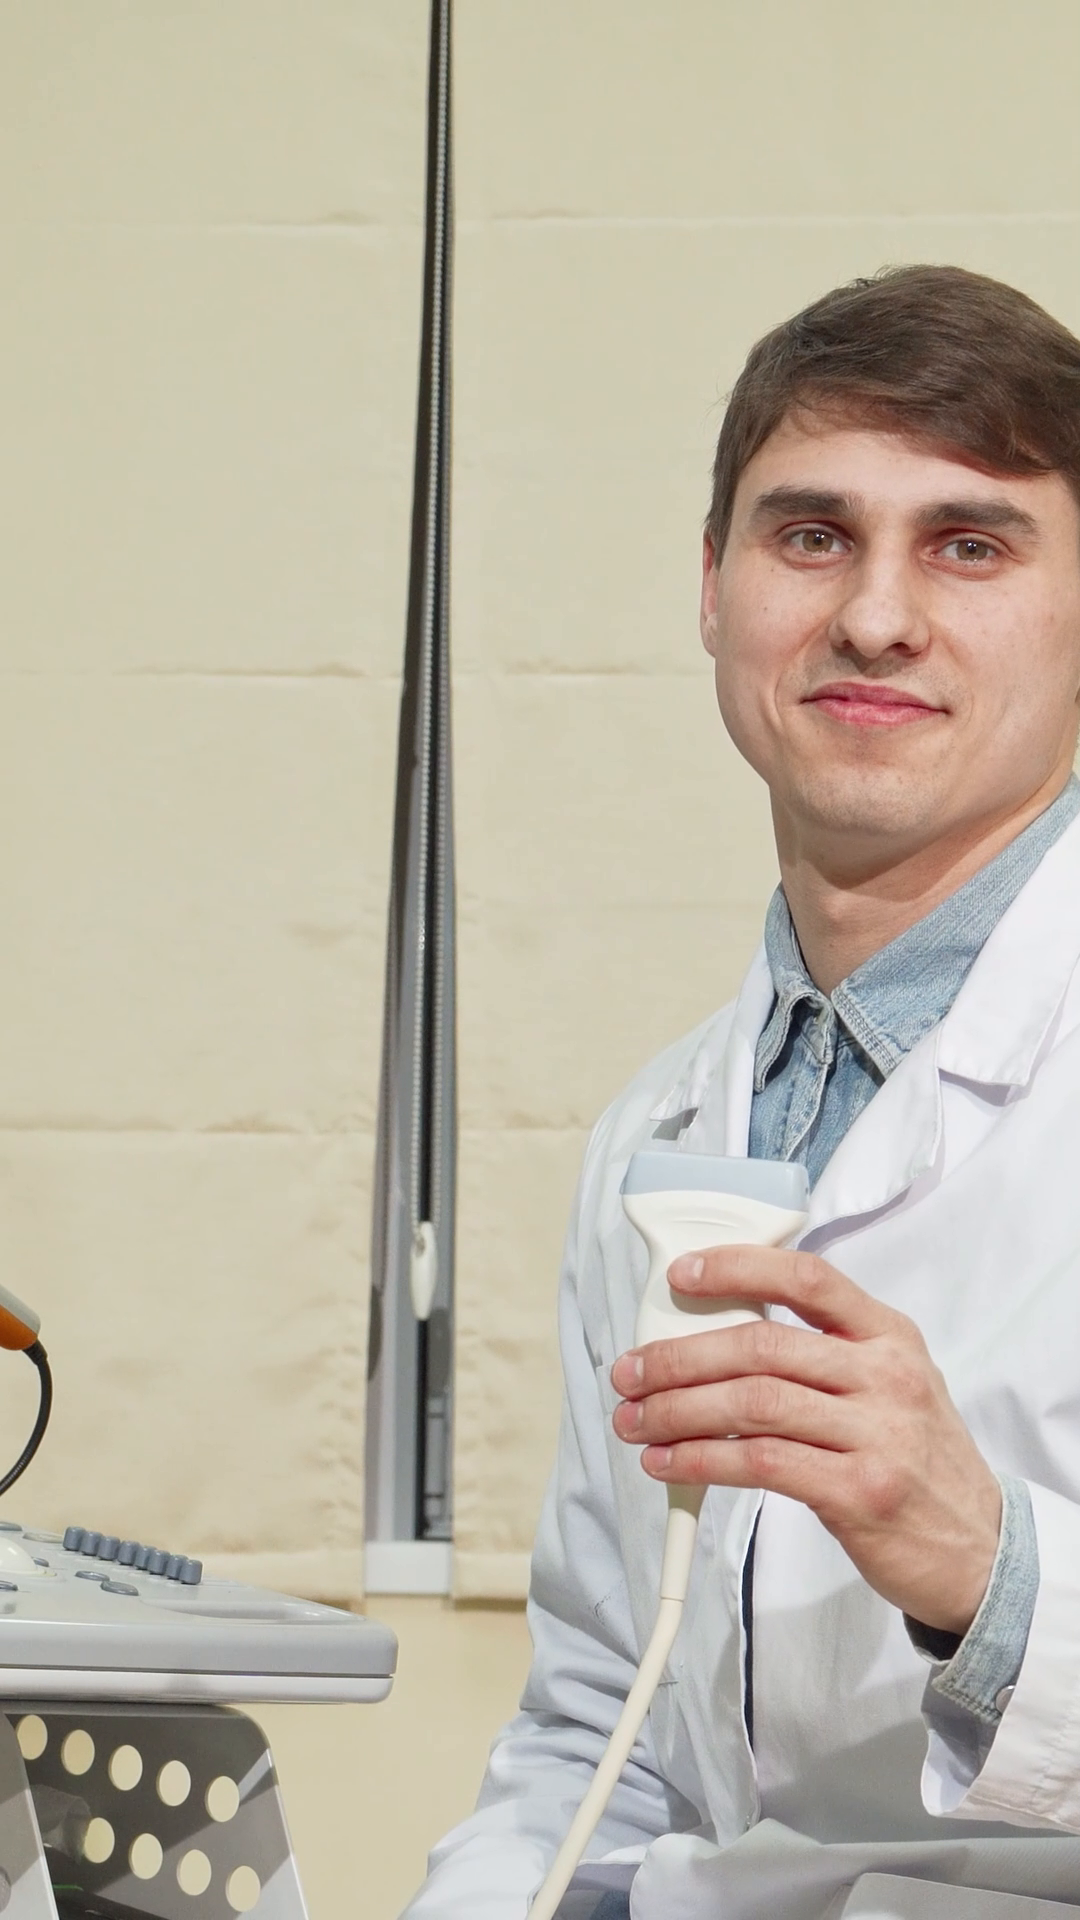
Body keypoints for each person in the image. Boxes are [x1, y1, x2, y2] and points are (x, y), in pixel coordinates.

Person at [403, 266, 1080, 1920]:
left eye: (970, 545)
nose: (875, 618)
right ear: (713, 589)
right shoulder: (661, 1134)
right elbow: (601, 1733)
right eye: (812, 535)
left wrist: (990, 1574)